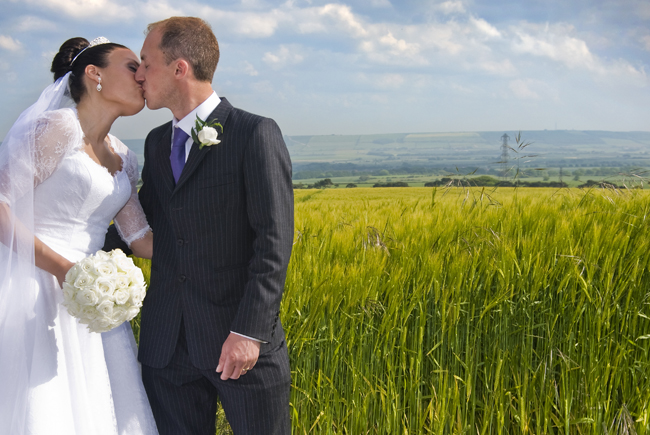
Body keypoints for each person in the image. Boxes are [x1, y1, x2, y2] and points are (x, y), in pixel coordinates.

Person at [114, 16, 294, 434]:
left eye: (145, 62)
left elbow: (273, 242)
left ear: (179, 68)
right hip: (167, 347)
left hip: (239, 343)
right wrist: (70, 252)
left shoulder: (255, 134)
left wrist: (248, 332)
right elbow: (142, 221)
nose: (138, 74)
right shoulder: (157, 142)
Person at [0, 37, 158, 434]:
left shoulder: (125, 157)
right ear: (94, 74)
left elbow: (140, 240)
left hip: (92, 301)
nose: (141, 75)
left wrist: (226, 238)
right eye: (130, 65)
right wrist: (63, 269)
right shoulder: (56, 130)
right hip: (33, 283)